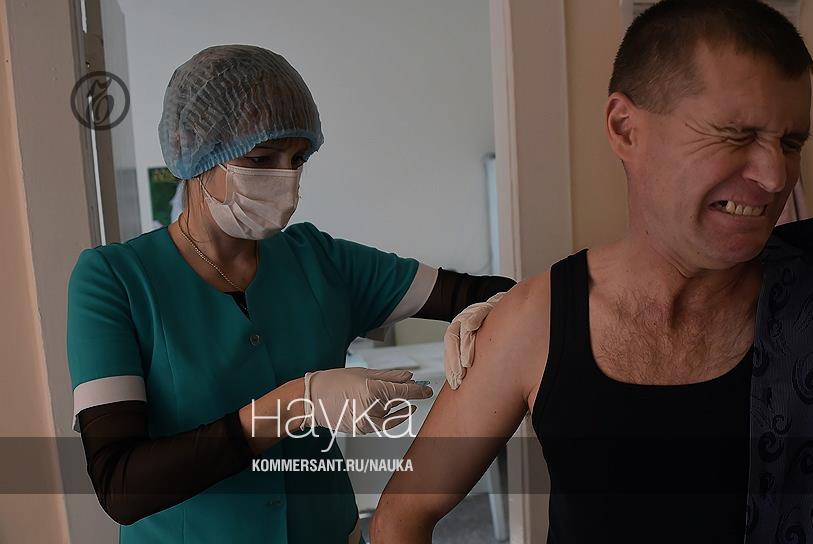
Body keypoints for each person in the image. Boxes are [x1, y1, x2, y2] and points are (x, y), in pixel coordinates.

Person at [370, 1, 813, 542]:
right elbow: (403, 513)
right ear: (626, 129)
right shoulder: (534, 323)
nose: (776, 176)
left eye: (791, 142)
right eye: (738, 135)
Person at [66, 44, 514, 544]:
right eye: (261, 158)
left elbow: (490, 293)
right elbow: (120, 485)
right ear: (188, 146)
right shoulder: (113, 281)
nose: (285, 178)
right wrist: (299, 401)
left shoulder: (320, 260)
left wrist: (487, 311)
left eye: (297, 159)